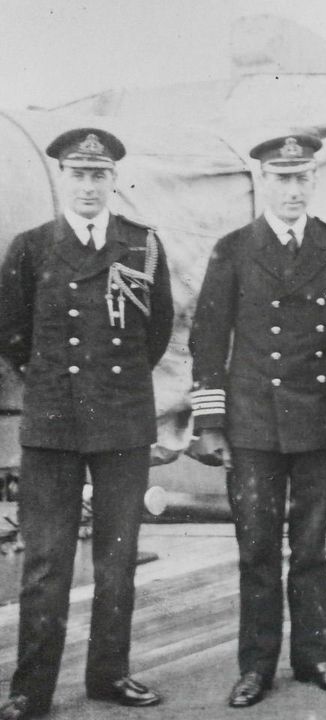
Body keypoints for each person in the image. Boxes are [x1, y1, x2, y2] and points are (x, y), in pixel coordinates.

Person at [188, 134, 326, 708]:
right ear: (263, 182)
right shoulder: (234, 249)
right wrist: (211, 422)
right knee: (258, 551)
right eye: (282, 179)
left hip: (319, 420)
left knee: (312, 548)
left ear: (313, 181)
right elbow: (208, 338)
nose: (293, 190)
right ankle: (256, 667)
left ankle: (314, 657)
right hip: (254, 424)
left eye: (302, 178)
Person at [0, 128, 173, 719]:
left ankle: (109, 675)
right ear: (62, 178)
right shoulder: (30, 248)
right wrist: (55, 382)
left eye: (99, 175)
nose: (89, 186)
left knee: (117, 560)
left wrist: (110, 386)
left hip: (122, 421)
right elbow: (12, 332)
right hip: (53, 424)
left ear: (114, 180)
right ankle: (31, 690)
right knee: (46, 563)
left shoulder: (142, 246)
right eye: (78, 174)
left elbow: (155, 332)